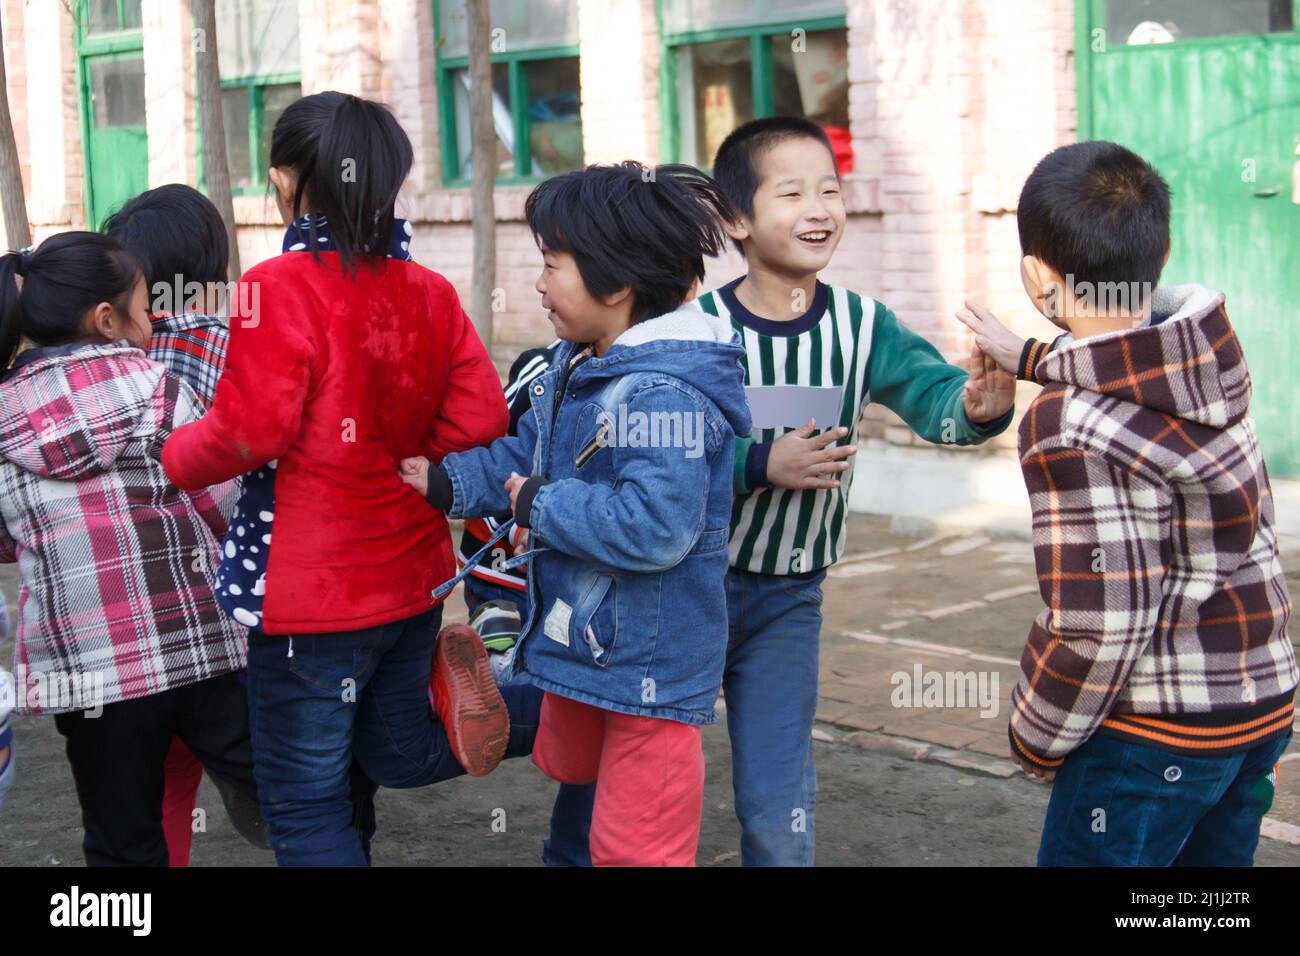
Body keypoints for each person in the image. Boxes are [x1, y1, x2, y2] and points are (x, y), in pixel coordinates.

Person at [160, 91, 540, 867]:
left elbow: (247, 431)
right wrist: (390, 449)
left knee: (302, 804)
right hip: (410, 580)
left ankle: (555, 706)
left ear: (285, 181)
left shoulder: (274, 288)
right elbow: (479, 423)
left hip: (309, 600)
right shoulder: (428, 292)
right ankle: (560, 704)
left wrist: (173, 456)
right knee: (396, 749)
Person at [401, 161, 751, 865]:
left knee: (635, 844)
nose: (538, 282)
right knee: (577, 797)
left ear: (617, 284)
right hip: (590, 640)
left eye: (552, 264)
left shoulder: (663, 395)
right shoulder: (578, 363)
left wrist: (541, 503)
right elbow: (527, 450)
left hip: (652, 662)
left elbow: (657, 527)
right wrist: (448, 483)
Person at [696, 116, 1016, 865]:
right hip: (687, 589)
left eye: (831, 190)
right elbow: (670, 452)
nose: (820, 209)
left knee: (778, 795)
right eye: (793, 192)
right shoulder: (698, 330)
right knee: (639, 762)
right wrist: (757, 465)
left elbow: (931, 395)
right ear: (737, 217)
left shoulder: (862, 325)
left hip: (787, 601)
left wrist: (976, 408)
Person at [968, 141, 1296, 865]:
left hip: (1153, 735)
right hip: (1259, 707)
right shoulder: (1202, 361)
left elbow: (1100, 621)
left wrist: (1038, 732)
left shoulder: (1067, 425)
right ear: (1162, 248)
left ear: (1037, 277)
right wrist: (1029, 356)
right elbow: (1116, 360)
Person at [0, 232, 254, 865]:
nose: (151, 324)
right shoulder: (156, 386)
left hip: (84, 671)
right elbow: (221, 502)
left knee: (119, 839)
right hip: (197, 647)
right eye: (144, 309)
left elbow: (8, 537)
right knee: (290, 790)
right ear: (106, 319)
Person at [104, 182, 267, 865]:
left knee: (160, 782)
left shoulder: (106, 356)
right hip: (219, 608)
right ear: (212, 264)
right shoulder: (236, 345)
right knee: (265, 758)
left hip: (131, 609)